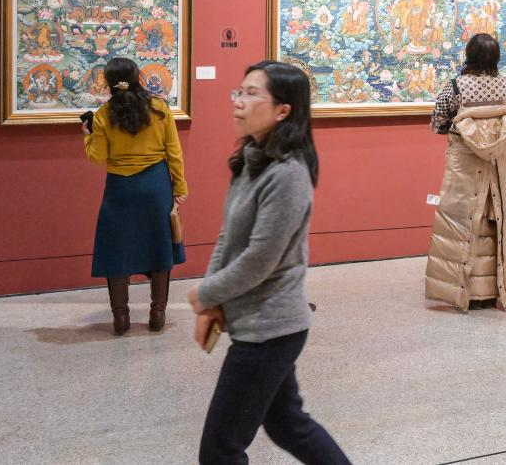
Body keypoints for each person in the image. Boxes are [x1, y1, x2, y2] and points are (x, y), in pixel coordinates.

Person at [187, 60, 350, 464]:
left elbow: (260, 259)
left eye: (251, 94)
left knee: (220, 451)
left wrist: (205, 293)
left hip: (270, 328)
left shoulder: (288, 174)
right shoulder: (251, 158)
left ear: (283, 110)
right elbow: (229, 236)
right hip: (258, 323)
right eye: (238, 92)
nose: (238, 102)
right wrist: (212, 299)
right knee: (288, 424)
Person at [82, 57, 187, 335]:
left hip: (120, 189)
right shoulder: (160, 109)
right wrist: (180, 187)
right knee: (159, 247)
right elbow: (174, 152)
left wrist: (87, 136)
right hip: (156, 186)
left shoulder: (104, 114)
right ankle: (157, 314)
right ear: (138, 77)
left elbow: (98, 157)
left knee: (116, 249)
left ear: (108, 82)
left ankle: (121, 318)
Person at [426, 33, 506, 311]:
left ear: (469, 55)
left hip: (465, 170)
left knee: (462, 225)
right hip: (500, 170)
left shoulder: (455, 88)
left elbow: (437, 124)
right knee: (499, 224)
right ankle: (499, 290)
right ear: (497, 57)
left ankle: (465, 294)